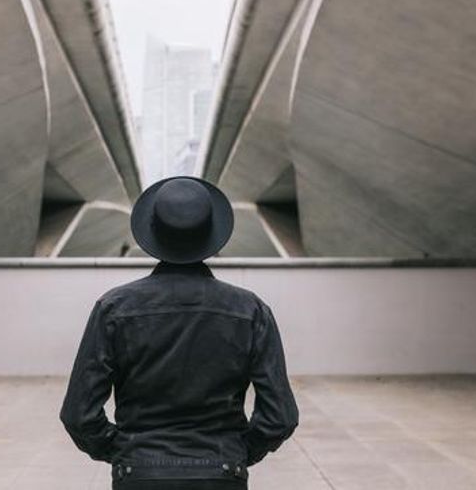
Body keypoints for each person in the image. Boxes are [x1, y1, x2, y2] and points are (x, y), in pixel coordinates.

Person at [60, 176, 298, 489]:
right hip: (222, 475)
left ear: (153, 232)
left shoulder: (113, 308)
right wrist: (236, 453)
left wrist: (125, 453)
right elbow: (280, 416)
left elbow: (79, 414)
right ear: (211, 235)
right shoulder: (251, 311)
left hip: (138, 476)